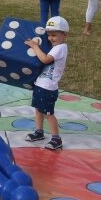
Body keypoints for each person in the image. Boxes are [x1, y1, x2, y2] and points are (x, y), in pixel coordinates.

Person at [23, 16, 69, 151]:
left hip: (48, 88)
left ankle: (56, 139)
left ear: (64, 34)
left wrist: (35, 46)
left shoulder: (60, 48)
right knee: (38, 109)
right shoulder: (56, 46)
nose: (50, 38)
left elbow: (45, 59)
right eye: (49, 35)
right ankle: (39, 132)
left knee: (48, 114)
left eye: (54, 35)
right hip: (40, 84)